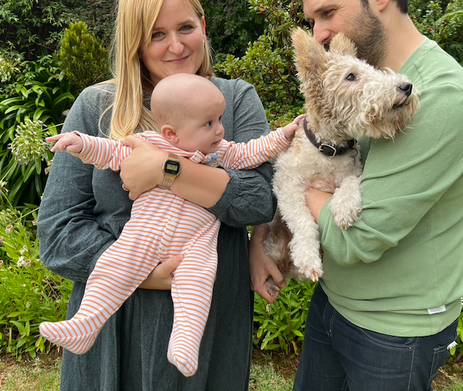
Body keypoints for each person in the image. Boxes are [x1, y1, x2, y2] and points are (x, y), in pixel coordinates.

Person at [249, 0, 463, 390]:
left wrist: (301, 184)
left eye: (327, 12)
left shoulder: (441, 97)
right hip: (335, 303)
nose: (318, 33)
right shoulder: (364, 88)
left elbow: (355, 239)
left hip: (395, 331)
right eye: (312, 20)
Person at [38, 0, 277, 391]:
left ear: (203, 27)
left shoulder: (234, 100)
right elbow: (58, 234)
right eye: (156, 34)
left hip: (210, 314)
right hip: (116, 317)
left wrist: (168, 171)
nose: (176, 45)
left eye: (185, 27)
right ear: (135, 42)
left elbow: (258, 202)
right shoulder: (99, 107)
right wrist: (145, 272)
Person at [39, 73, 303, 377]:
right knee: (112, 267)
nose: (220, 129)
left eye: (219, 119)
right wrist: (81, 143)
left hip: (195, 244)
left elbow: (254, 152)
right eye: (209, 123)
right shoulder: (148, 143)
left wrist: (283, 136)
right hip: (144, 234)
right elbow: (109, 152)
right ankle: (85, 325)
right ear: (172, 134)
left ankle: (185, 343)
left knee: (197, 283)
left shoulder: (220, 152)